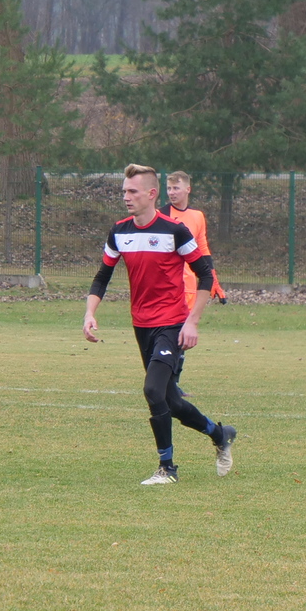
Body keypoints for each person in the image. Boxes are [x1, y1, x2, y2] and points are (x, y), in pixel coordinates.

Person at [83, 164, 237, 485]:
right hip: (141, 326)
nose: (126, 197)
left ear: (151, 194)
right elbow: (102, 276)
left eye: (132, 191)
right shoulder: (119, 231)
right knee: (171, 402)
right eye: (124, 191)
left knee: (152, 390)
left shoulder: (174, 231)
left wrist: (192, 322)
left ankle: (167, 468)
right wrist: (89, 313)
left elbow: (205, 275)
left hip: (172, 324)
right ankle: (220, 434)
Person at [165, 171, 227, 308]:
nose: (171, 192)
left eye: (176, 188)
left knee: (188, 321)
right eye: (169, 188)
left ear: (188, 189)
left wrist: (213, 280)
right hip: (166, 287)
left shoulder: (197, 216)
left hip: (189, 286)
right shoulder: (161, 215)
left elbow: (202, 250)